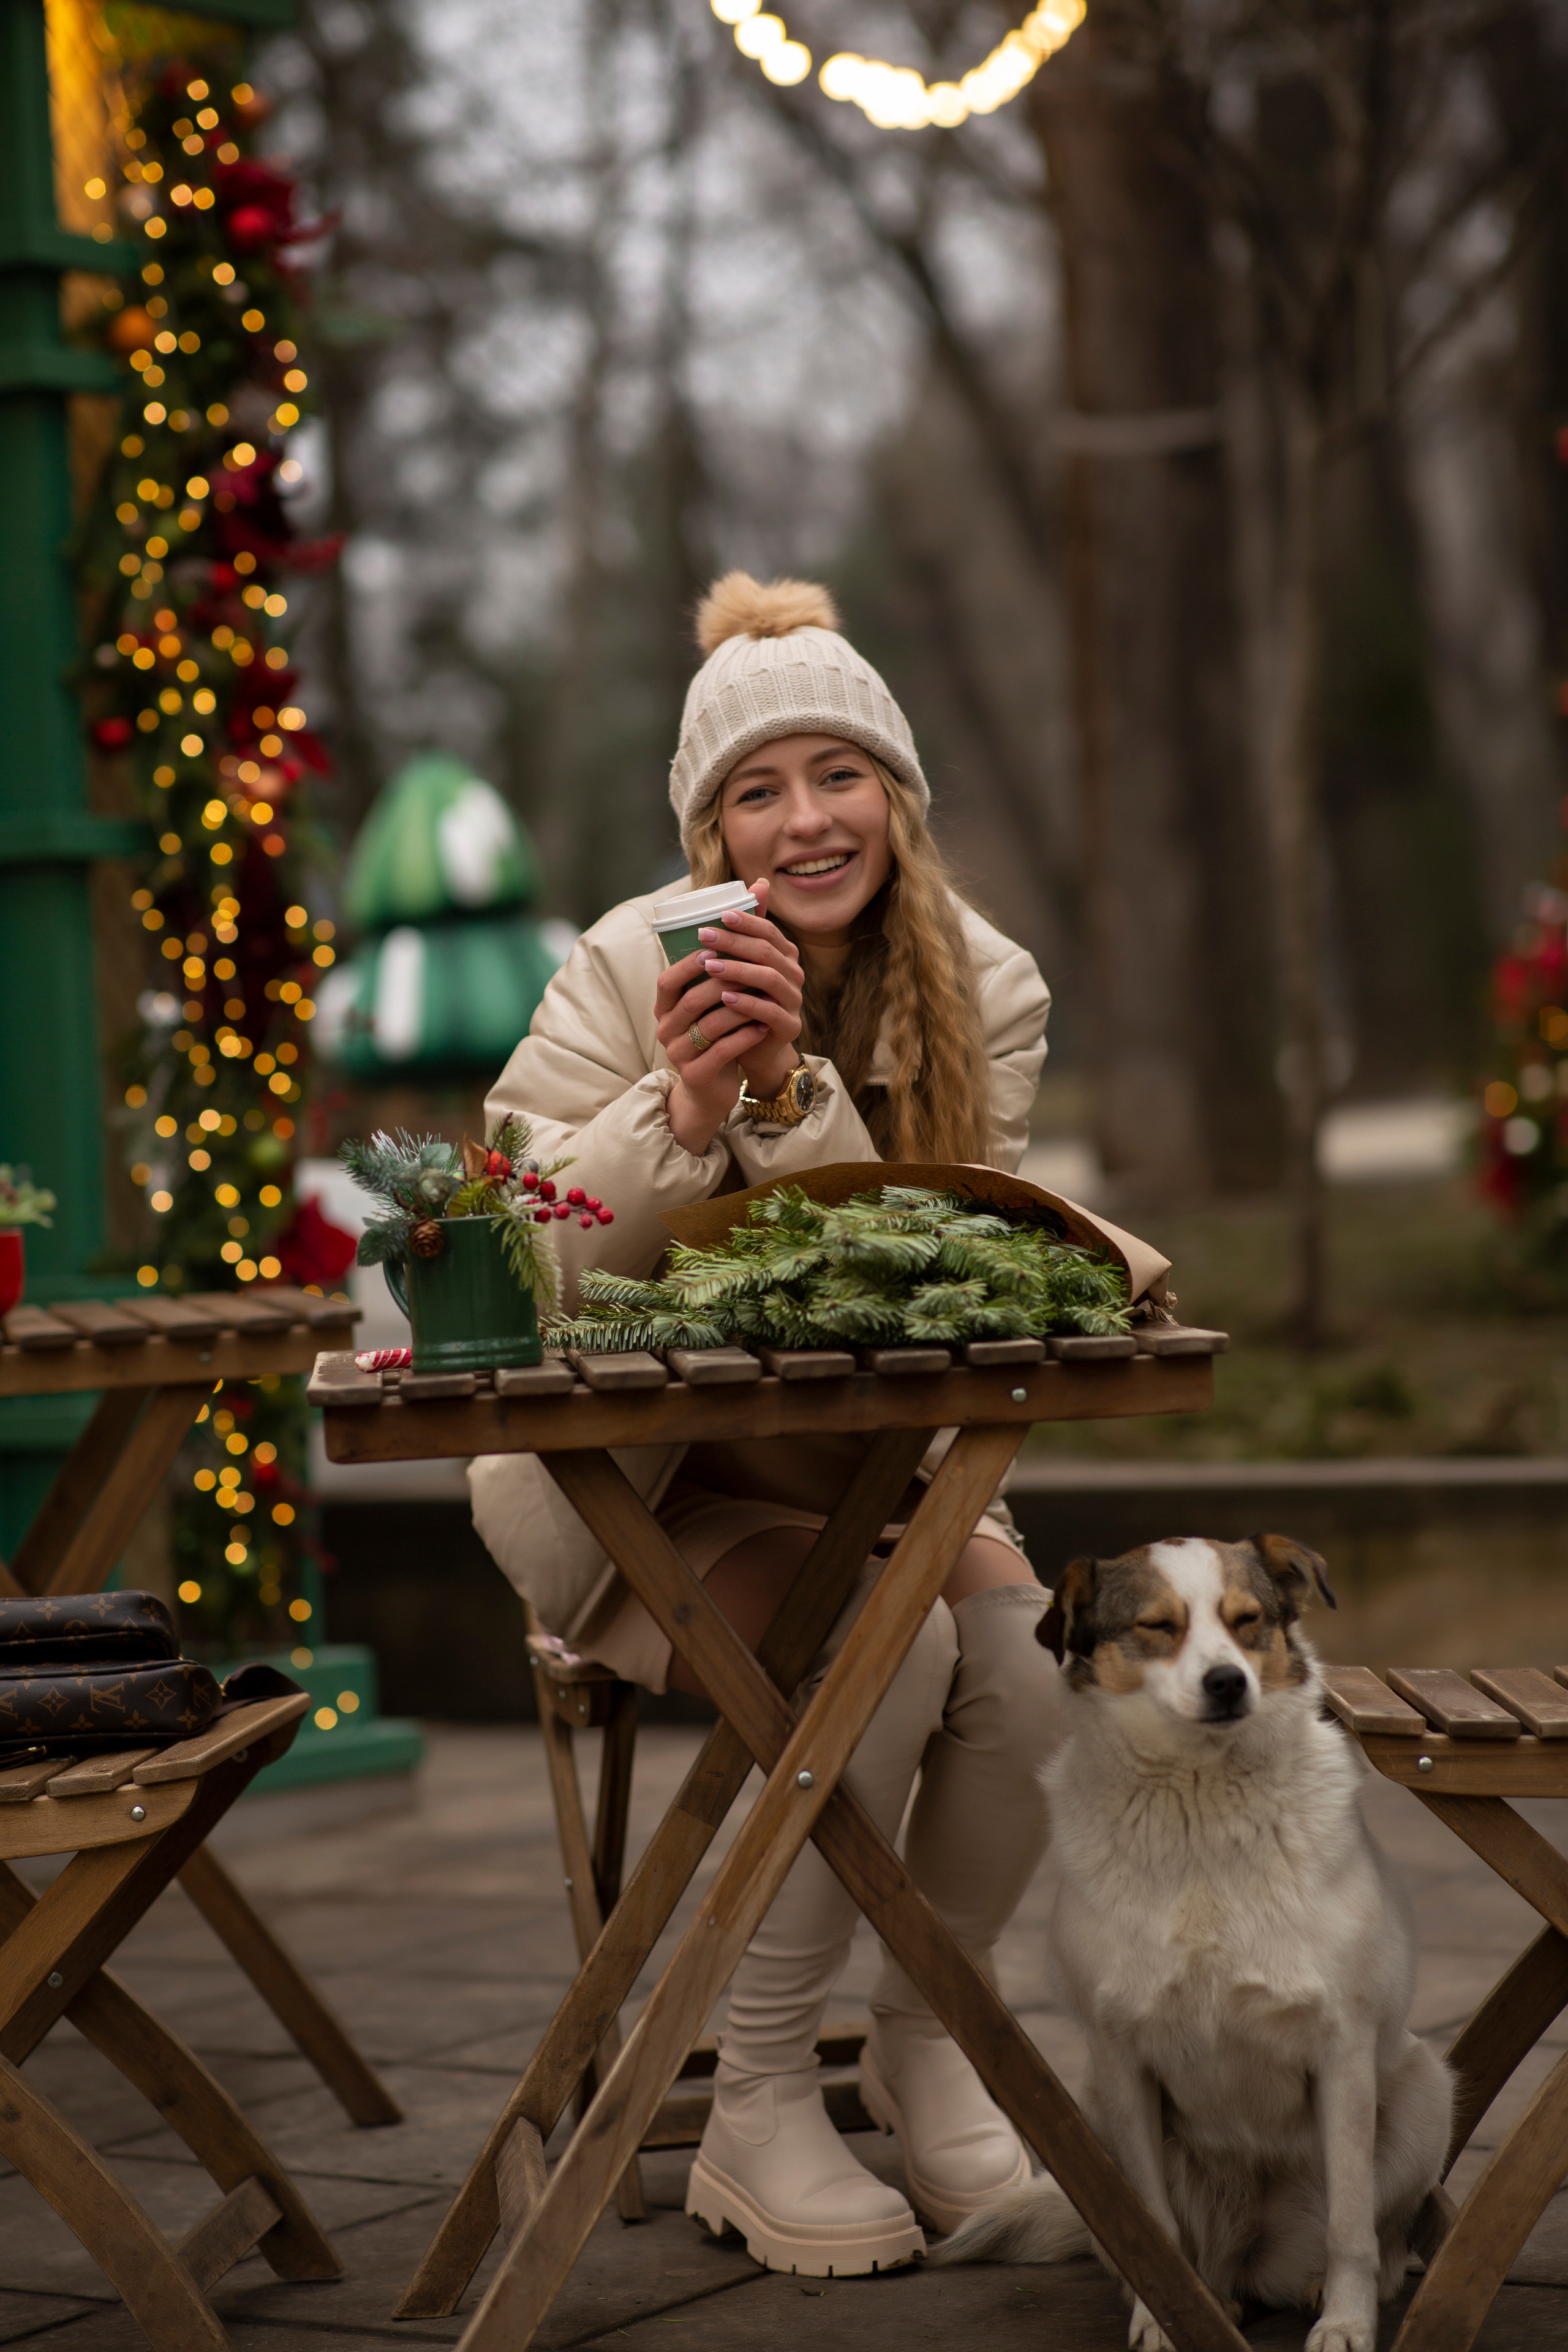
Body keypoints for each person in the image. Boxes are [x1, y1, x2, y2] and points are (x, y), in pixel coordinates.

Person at [472, 571, 1069, 2276]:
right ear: (710, 833)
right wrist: (680, 1109)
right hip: (630, 1475)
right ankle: (756, 2103)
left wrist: (798, 1099)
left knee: (1028, 1663)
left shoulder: (987, 989)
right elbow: (520, 1258)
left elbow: (923, 1279)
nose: (805, 822)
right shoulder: (621, 964)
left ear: (897, 796)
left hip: (876, 1462)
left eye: (838, 775)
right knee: (877, 1654)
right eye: (757, 791)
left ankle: (930, 2039)